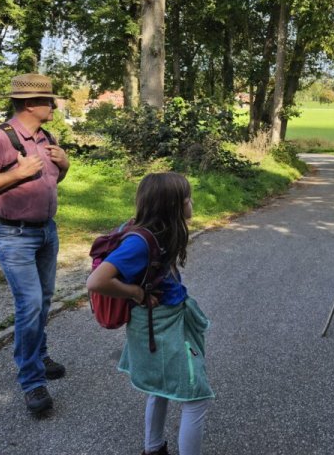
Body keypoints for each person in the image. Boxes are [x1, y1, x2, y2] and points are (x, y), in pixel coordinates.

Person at [0, 73, 70, 415]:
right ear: (29, 104)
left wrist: (64, 165)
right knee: (30, 303)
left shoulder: (46, 137)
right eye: (48, 100)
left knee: (45, 299)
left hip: (45, 231)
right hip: (12, 234)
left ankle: (38, 354)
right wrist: (16, 174)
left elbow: (51, 179)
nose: (53, 105)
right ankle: (32, 381)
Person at [87, 173, 213, 455]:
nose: (191, 202)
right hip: (160, 328)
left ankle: (153, 448)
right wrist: (138, 294)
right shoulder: (140, 242)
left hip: (164, 324)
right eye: (187, 198)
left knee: (160, 386)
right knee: (196, 397)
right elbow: (96, 281)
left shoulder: (156, 231)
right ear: (171, 205)